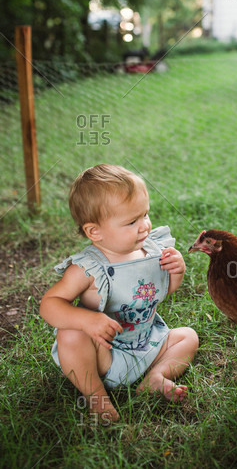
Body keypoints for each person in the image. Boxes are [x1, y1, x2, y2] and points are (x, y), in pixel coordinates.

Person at [39, 164, 199, 424]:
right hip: (104, 354)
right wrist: (86, 321)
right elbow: (49, 304)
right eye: (132, 221)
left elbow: (161, 292)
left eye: (145, 214)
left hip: (147, 344)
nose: (144, 226)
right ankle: (96, 396)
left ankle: (155, 377)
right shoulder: (88, 268)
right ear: (95, 231)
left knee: (188, 337)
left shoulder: (152, 250)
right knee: (70, 333)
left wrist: (176, 271)